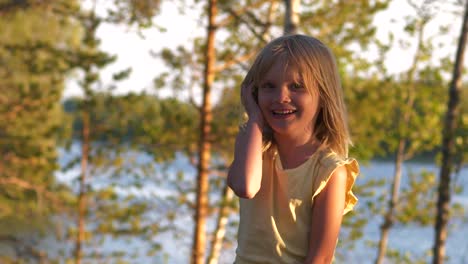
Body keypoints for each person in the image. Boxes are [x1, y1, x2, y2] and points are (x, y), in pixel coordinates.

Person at [227, 34, 359, 264]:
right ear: (254, 92)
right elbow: (246, 186)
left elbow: (320, 258)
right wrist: (255, 118)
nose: (281, 97)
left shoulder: (329, 171)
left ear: (323, 95)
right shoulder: (253, 145)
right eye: (269, 86)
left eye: (296, 86)